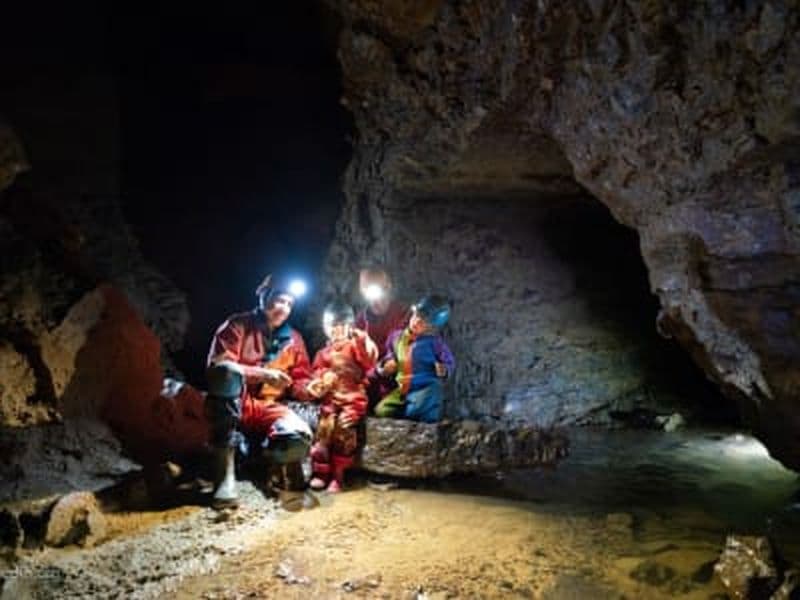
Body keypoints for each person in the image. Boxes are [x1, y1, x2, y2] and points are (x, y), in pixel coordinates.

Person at [205, 274, 313, 507]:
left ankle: (260, 459)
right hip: (234, 402)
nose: (284, 308)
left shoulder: (293, 339)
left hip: (267, 408)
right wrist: (264, 374)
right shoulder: (237, 325)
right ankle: (224, 475)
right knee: (226, 373)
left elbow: (300, 380)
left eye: (289, 304)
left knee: (298, 439)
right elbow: (218, 368)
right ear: (263, 296)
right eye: (279, 300)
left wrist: (311, 388)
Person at [306, 300, 378, 493]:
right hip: (330, 401)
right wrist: (320, 381)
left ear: (350, 326)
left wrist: (362, 340)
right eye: (332, 326)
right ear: (325, 327)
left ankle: (338, 475)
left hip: (351, 400)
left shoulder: (355, 346)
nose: (337, 330)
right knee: (323, 431)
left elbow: (369, 359)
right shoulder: (323, 353)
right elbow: (316, 372)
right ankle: (321, 472)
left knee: (344, 431)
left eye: (341, 325)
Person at [374, 295, 455, 423]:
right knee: (381, 410)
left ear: (431, 327)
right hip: (402, 390)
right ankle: (407, 412)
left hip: (423, 388)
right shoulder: (397, 337)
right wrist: (385, 366)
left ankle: (418, 414)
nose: (417, 322)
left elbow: (449, 361)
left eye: (423, 322)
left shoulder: (435, 343)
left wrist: (444, 369)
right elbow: (390, 355)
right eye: (416, 316)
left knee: (429, 397)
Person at [354, 267, 409, 407]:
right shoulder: (361, 322)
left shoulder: (404, 315)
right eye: (366, 291)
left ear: (388, 287)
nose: (375, 301)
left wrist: (396, 362)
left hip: (399, 386)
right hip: (369, 388)